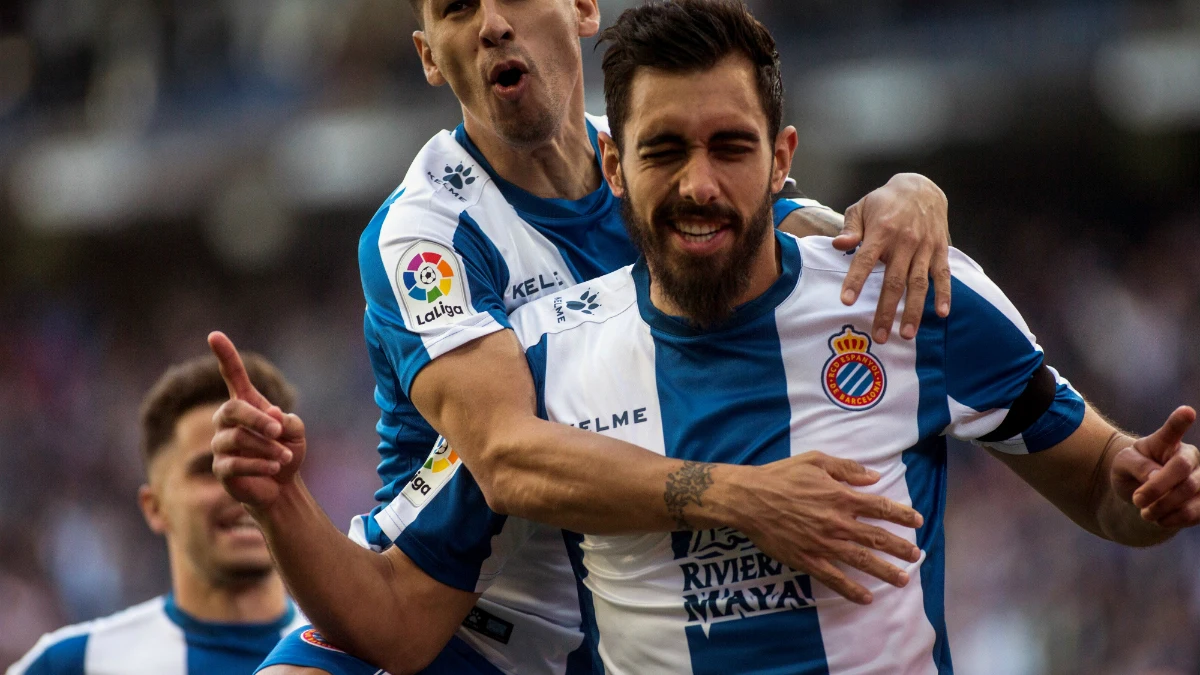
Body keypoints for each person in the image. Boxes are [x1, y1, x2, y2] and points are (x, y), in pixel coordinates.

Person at [373, 0, 1200, 671]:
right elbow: (497, 464)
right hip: (495, 635)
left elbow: (1104, 482)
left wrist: (1143, 492)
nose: (698, 180)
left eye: (730, 148)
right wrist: (742, 498)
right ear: (623, 169)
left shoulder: (903, 298)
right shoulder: (509, 318)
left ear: (779, 159)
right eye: (663, 152)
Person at [211, 0, 958, 672]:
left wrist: (908, 197)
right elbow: (506, 456)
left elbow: (799, 237)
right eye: (459, 8)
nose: (493, 22)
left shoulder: (653, 155)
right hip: (454, 608)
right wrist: (739, 495)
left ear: (583, 7)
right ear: (430, 56)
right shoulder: (426, 232)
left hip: (620, 618)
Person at [7, 355, 308, 675]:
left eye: (262, 462)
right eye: (211, 469)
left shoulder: (354, 658)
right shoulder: (70, 666)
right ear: (155, 507)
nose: (246, 488)